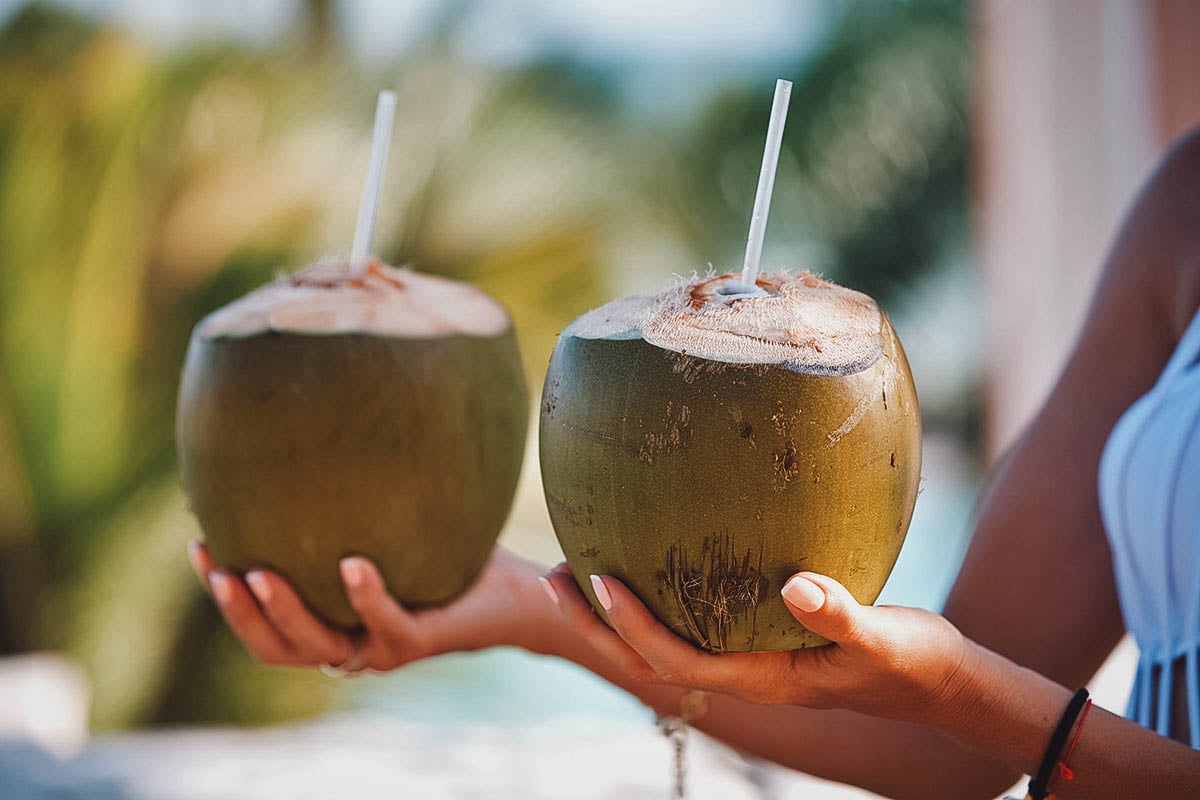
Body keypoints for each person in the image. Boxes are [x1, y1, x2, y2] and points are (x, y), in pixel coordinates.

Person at [188, 129, 1200, 799]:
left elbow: (972, 705)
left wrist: (958, 690)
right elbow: (949, 744)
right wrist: (518, 603)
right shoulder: (1180, 206)